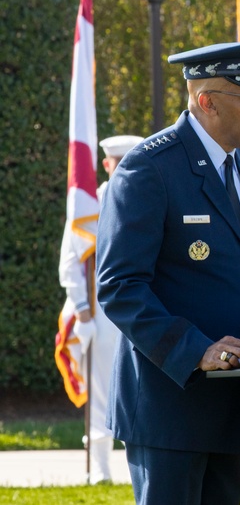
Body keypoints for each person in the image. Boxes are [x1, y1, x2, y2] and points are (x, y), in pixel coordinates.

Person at [96, 37, 240, 504]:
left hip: (228, 404)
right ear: (208, 102)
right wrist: (197, 350)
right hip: (168, 403)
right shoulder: (150, 168)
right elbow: (120, 287)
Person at [58, 134, 142, 484]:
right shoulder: (90, 207)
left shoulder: (145, 197)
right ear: (106, 166)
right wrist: (83, 312)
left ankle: (139, 466)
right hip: (102, 313)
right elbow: (71, 263)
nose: (121, 168)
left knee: (142, 389)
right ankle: (102, 470)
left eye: (127, 161)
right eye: (115, 163)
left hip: (142, 309)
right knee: (101, 391)